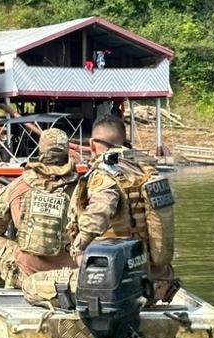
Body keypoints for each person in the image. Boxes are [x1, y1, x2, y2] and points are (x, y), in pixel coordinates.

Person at [68, 114, 178, 303]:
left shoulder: (104, 175)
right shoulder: (146, 170)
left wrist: (77, 251)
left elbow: (97, 217)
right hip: (155, 280)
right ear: (124, 141)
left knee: (35, 285)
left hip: (117, 283)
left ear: (93, 144)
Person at [0, 128, 79, 289]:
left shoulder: (19, 185)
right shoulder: (84, 188)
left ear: (40, 150)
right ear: (67, 152)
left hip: (28, 277)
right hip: (72, 276)